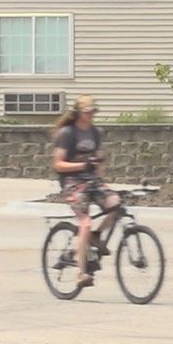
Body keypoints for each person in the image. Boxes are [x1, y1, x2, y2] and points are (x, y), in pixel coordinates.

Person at [50, 95, 121, 288]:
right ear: (79, 112)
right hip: (73, 182)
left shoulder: (95, 132)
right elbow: (58, 164)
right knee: (85, 223)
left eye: (93, 111)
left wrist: (103, 183)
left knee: (116, 204)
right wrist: (82, 165)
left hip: (91, 180)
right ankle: (82, 273)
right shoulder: (67, 133)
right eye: (87, 111)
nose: (91, 114)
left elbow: (96, 160)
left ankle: (96, 237)